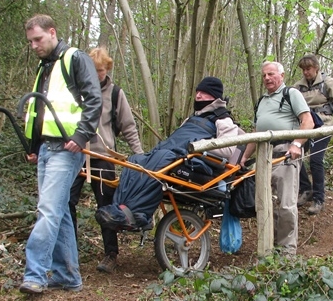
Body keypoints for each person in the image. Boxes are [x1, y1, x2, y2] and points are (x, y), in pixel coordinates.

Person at [19, 14, 102, 294]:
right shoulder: (45, 67)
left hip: (66, 150)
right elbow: (37, 111)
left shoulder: (74, 59)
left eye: (38, 39)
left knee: (48, 211)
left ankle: (35, 274)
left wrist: (81, 137)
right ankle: (68, 275)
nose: (33, 46)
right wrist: (33, 147)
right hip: (45, 149)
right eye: (30, 41)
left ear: (52, 32)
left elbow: (94, 100)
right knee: (60, 211)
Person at [95, 77, 240, 231]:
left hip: (193, 160)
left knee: (160, 160)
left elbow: (228, 149)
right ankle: (121, 208)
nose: (198, 96)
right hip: (172, 153)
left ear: (214, 96)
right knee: (135, 160)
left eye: (204, 93)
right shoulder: (191, 119)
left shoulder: (223, 119)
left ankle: (139, 214)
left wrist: (197, 145)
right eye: (198, 92)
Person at [69, 47, 143, 274]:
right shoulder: (75, 91)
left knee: (107, 207)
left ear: (107, 69)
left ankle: (111, 254)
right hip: (75, 154)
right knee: (66, 202)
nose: (97, 74)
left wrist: (138, 155)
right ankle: (69, 252)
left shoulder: (115, 93)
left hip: (103, 157)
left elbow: (128, 126)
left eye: (100, 71)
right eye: (93, 70)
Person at [240, 62, 314, 255]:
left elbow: (308, 121)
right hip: (264, 155)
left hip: (286, 152)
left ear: (281, 75)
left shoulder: (291, 94)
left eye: (271, 74)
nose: (266, 78)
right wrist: (244, 157)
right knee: (264, 203)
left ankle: (287, 250)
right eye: (264, 75)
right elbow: (256, 132)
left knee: (286, 203)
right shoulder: (262, 101)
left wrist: (297, 144)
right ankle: (268, 247)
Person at [293, 54, 333, 215]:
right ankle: (306, 189)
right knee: (295, 155)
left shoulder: (327, 83)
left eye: (308, 69)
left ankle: (319, 198)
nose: (306, 73)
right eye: (303, 70)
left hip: (323, 126)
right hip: (304, 127)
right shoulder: (297, 87)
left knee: (316, 160)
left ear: (316, 68)